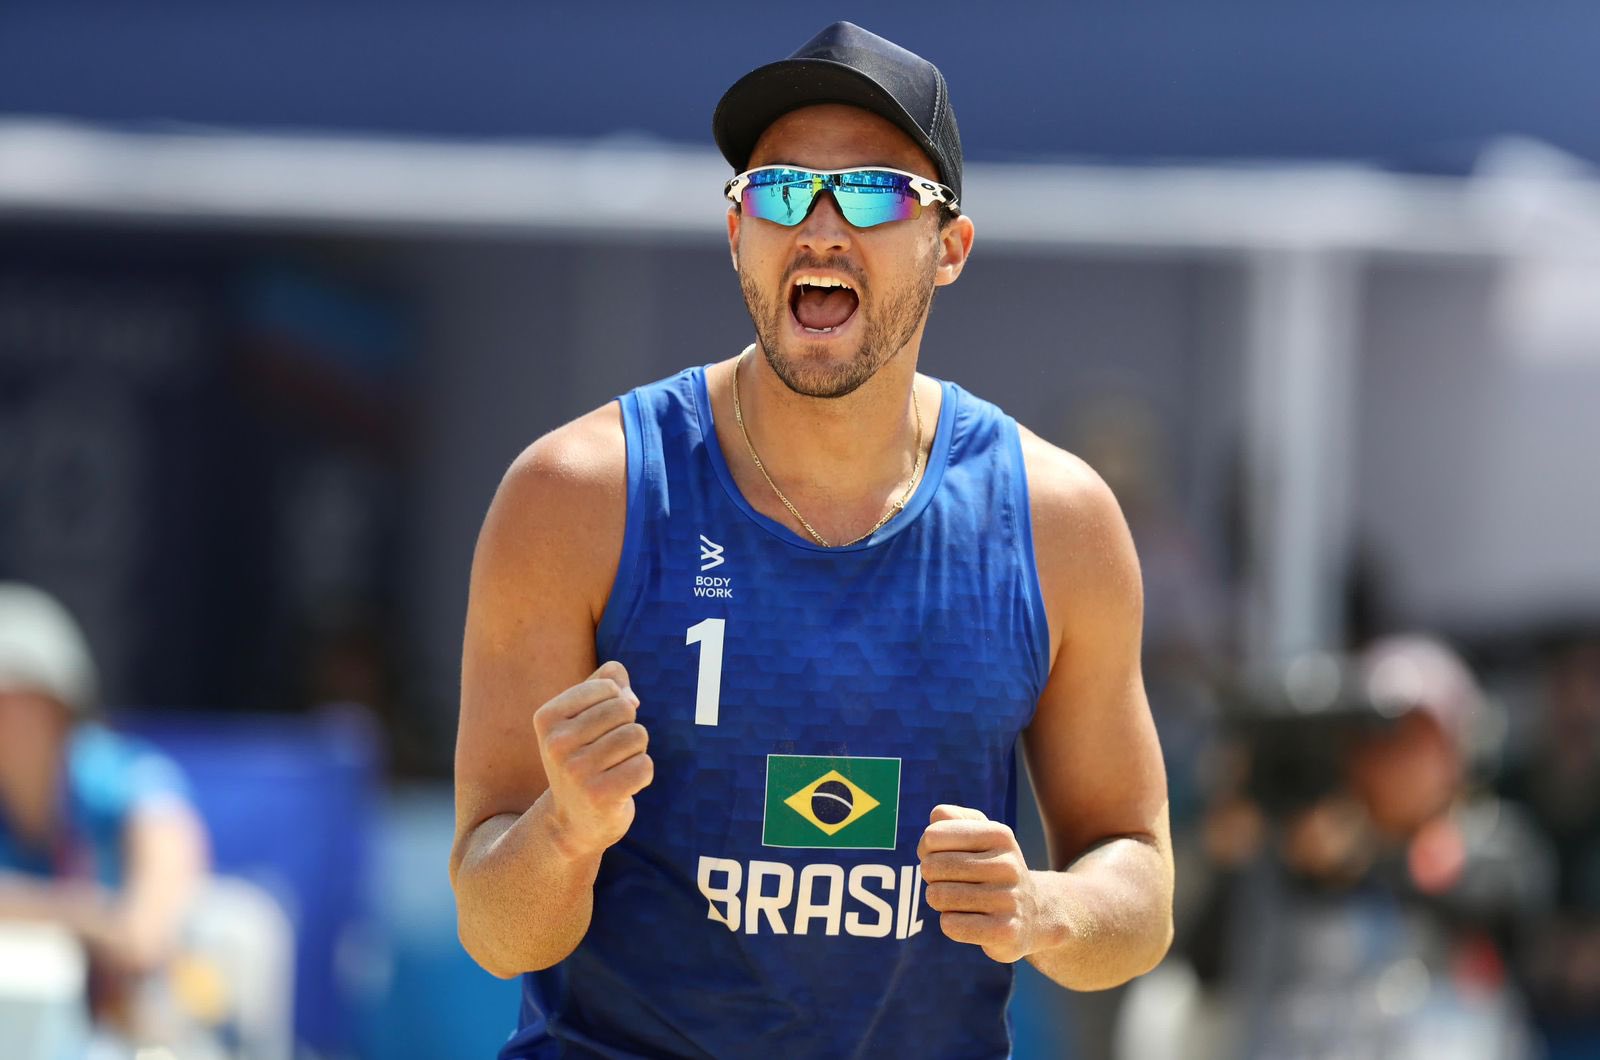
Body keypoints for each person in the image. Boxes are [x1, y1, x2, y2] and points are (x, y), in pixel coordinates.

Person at [450, 21, 1174, 1058]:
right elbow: (493, 924)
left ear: (950, 248)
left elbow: (1139, 884)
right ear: (736, 232)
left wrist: (1044, 910)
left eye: (875, 194)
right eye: (780, 191)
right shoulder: (579, 494)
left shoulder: (1055, 522)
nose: (820, 226)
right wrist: (564, 830)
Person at [0, 582, 209, 1053]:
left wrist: (103, 924)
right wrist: (84, 916)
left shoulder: (124, 779)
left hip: (141, 1030)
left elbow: (144, 935)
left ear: (58, 706)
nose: (5, 721)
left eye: (14, 701)